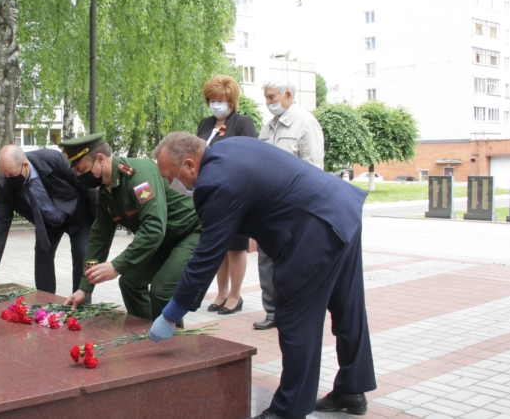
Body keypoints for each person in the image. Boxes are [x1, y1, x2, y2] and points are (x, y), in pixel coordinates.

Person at [149, 133, 375, 419]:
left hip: (313, 230)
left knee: (296, 319)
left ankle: (288, 411)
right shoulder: (230, 147)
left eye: (172, 177)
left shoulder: (213, 183)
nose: (172, 184)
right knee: (347, 306)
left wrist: (171, 313)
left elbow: (206, 256)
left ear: (191, 165)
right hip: (341, 207)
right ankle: (352, 389)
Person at [59, 133, 202, 325]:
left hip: (190, 232)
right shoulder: (106, 193)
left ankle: (173, 343)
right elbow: (98, 238)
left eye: (81, 170)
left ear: (100, 159)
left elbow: (153, 229)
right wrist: (84, 288)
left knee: (161, 290)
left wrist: (116, 266)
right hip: (164, 240)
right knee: (130, 282)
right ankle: (146, 334)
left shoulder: (138, 176)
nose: (79, 177)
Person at [0, 145, 97, 298]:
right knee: (42, 260)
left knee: (82, 255)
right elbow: (0, 220)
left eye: (11, 174)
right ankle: (45, 304)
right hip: (46, 222)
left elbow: (86, 187)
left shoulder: (52, 160)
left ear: (25, 165)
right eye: (3, 175)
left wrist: (97, 223)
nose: (8, 179)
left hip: (76, 215)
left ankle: (81, 306)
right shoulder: (5, 183)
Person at [254, 76, 324, 331]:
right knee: (266, 261)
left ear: (287, 96)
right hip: (267, 206)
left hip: (294, 206)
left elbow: (314, 168)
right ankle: (272, 312)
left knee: (294, 262)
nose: (268, 103)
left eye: (271, 97)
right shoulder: (268, 127)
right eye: (266, 98)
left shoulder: (306, 123)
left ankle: (293, 313)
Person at [196, 75, 258, 315]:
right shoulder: (205, 124)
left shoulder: (242, 122)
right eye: (212, 99)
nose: (216, 104)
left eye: (221, 99)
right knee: (217, 247)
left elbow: (250, 156)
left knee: (235, 247)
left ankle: (235, 295)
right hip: (211, 194)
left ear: (231, 101)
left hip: (235, 194)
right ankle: (221, 293)